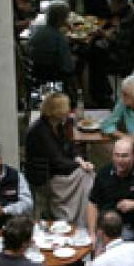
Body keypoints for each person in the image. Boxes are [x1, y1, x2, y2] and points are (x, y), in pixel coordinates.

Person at [24, 92, 94, 223]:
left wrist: (79, 159)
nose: (69, 111)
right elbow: (57, 162)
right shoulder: (40, 131)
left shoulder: (57, 126)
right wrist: (80, 165)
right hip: (46, 176)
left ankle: (81, 215)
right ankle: (77, 216)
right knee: (86, 176)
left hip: (55, 170)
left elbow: (70, 147)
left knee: (88, 175)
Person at [86, 0, 134, 106]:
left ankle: (101, 95)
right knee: (95, 50)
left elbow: (120, 42)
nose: (110, 7)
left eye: (111, 4)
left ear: (119, 3)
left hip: (126, 58)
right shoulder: (129, 10)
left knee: (92, 55)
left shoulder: (127, 19)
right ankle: (103, 91)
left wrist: (103, 33)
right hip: (130, 51)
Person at [86, 137, 134, 242]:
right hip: (104, 226)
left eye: (125, 156)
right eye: (117, 155)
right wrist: (92, 234)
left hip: (128, 228)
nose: (119, 160)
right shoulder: (104, 173)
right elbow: (92, 203)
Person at [26, 0, 77, 102]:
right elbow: (68, 67)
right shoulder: (59, 37)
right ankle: (77, 97)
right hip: (54, 72)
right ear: (61, 19)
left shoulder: (37, 28)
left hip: (35, 69)